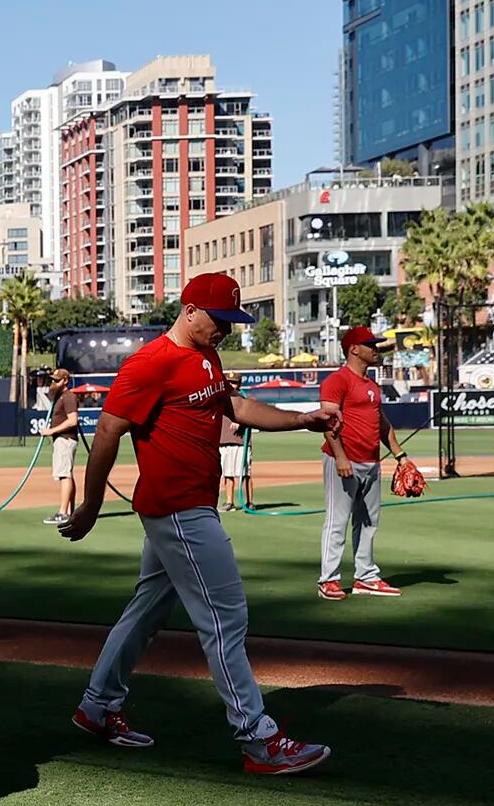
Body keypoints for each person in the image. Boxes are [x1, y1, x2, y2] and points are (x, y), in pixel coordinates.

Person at [62, 272, 339, 776]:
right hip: (177, 508)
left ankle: (98, 706)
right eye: (220, 320)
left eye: (232, 322)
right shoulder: (152, 363)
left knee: (146, 611)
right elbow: (106, 430)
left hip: (190, 505)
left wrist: (302, 419)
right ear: (189, 310)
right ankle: (258, 738)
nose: (226, 331)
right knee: (224, 618)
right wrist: (93, 504)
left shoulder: (204, 357)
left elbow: (234, 406)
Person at [317, 326, 404, 599]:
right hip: (342, 459)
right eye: (370, 345)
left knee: (368, 522)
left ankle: (366, 577)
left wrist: (400, 456)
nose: (375, 349)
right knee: (337, 520)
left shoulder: (372, 386)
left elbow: (382, 423)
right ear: (354, 349)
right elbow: (328, 421)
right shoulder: (337, 380)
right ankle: (328, 580)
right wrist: (341, 456)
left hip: (371, 461)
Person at [43, 368, 82, 526]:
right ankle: (70, 511)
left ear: (65, 381)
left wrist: (52, 430)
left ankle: (63, 513)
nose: (54, 383)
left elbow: (73, 420)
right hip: (61, 440)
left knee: (64, 475)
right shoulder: (59, 396)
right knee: (66, 474)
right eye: (53, 379)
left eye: (57, 380)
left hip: (65, 439)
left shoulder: (68, 397)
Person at [217, 377, 251, 512]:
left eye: (235, 382)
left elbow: (253, 416)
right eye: (230, 382)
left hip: (241, 442)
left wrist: (241, 422)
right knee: (228, 473)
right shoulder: (220, 397)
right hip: (224, 440)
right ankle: (230, 502)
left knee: (246, 474)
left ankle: (249, 502)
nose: (232, 385)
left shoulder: (244, 398)